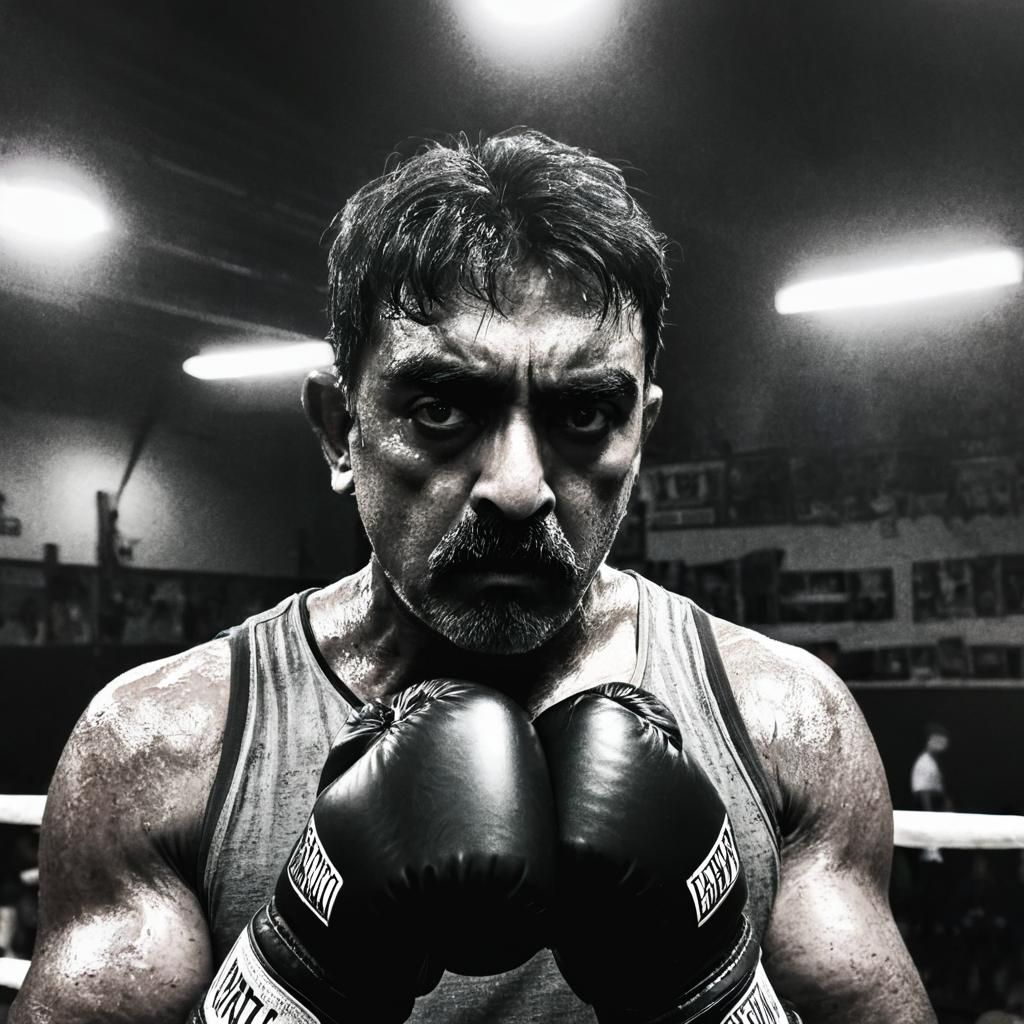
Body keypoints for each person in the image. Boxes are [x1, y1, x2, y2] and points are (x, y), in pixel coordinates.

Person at [11, 129, 936, 1023]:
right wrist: (295, 977)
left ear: (642, 435)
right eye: (443, 406)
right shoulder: (157, 751)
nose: (518, 488)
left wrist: (716, 994)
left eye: (583, 412)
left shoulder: (788, 725)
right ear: (340, 429)